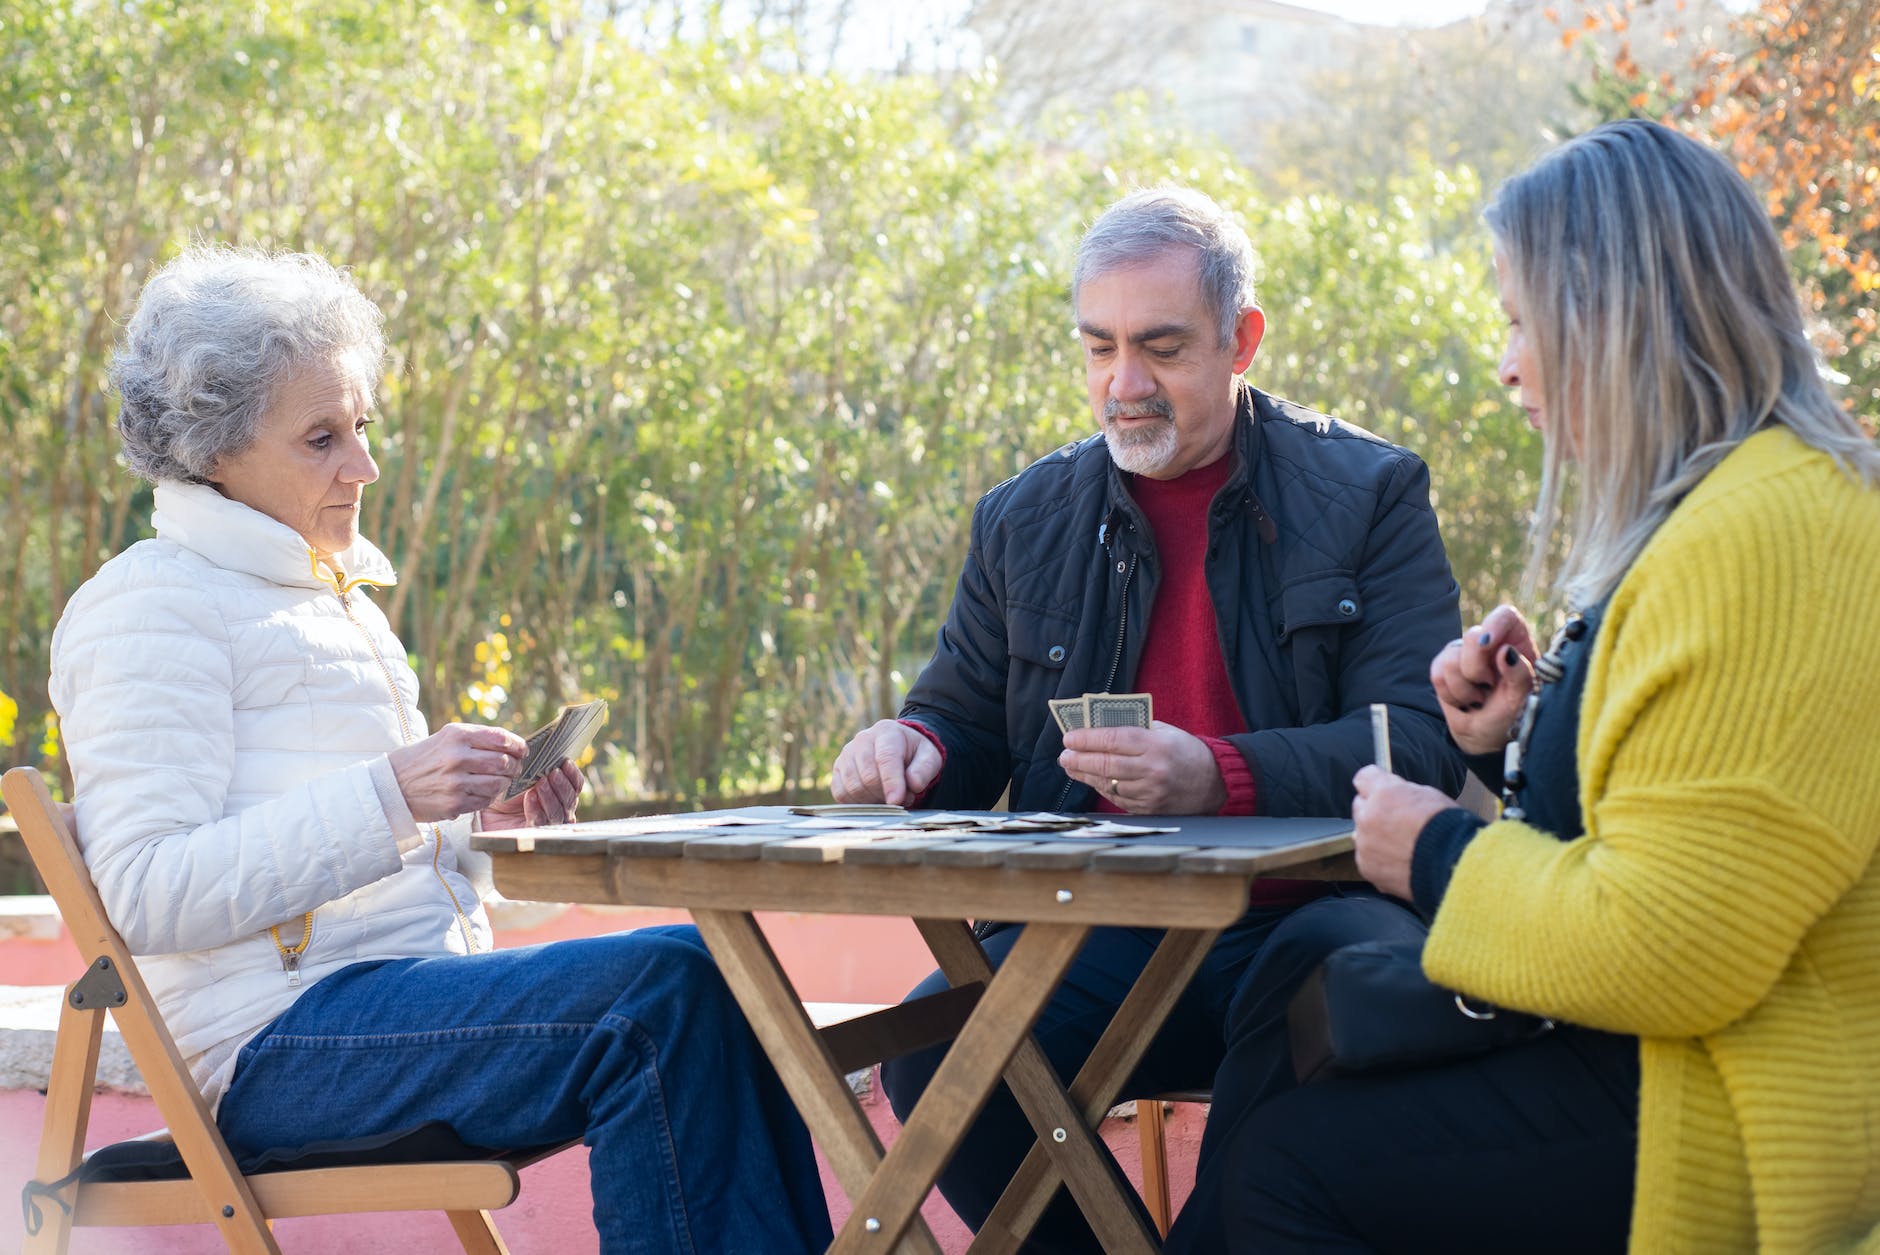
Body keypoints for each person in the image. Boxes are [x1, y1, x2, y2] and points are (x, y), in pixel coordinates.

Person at [50, 246, 832, 1254]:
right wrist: (391, 794)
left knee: (713, 967)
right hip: (276, 1049)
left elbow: (378, 865)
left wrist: (481, 832)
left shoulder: (330, 604)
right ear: (215, 452)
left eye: (363, 427)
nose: (364, 466)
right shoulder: (146, 604)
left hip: (383, 1006)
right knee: (665, 990)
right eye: (322, 438)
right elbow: (148, 892)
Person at [1197, 119, 1880, 1254]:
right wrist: (1506, 737)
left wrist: (1434, 850)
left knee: (1289, 1172)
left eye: (1520, 322)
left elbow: (1671, 945)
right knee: (1295, 992)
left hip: (1725, 1103)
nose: (1505, 361)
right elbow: (1675, 821)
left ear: (1615, 318)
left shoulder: (1771, 531)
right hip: (1650, 1057)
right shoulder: (1724, 511)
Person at [830, 185, 1469, 1251]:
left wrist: (1217, 773)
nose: (1122, 385)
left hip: (1306, 916)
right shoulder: (1019, 517)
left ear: (1241, 340)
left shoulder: (1370, 491)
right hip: (1095, 924)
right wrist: (913, 744)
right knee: (937, 1053)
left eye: (1161, 347)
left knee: (1316, 1031)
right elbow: (960, 715)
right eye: (1098, 348)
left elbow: (1420, 741)